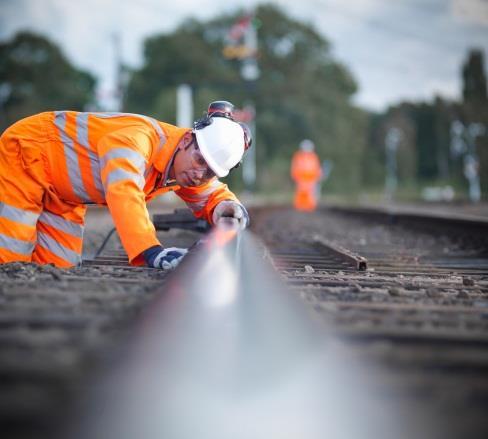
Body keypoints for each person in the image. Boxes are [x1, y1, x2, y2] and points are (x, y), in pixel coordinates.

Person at [0, 101, 251, 269]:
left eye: (210, 172)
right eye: (200, 161)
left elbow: (210, 194)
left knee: (56, 268)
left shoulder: (182, 165)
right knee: (10, 260)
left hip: (65, 195)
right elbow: (125, 191)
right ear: (187, 139)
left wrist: (226, 207)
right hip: (28, 154)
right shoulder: (137, 141)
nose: (199, 174)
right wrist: (151, 251)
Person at [290, 139, 322, 211]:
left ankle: (310, 207)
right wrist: (295, 176)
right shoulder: (298, 156)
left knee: (311, 194)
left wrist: (318, 175)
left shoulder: (313, 157)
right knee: (301, 193)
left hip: (311, 179)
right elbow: (294, 167)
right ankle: (300, 206)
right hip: (301, 179)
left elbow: (317, 167)